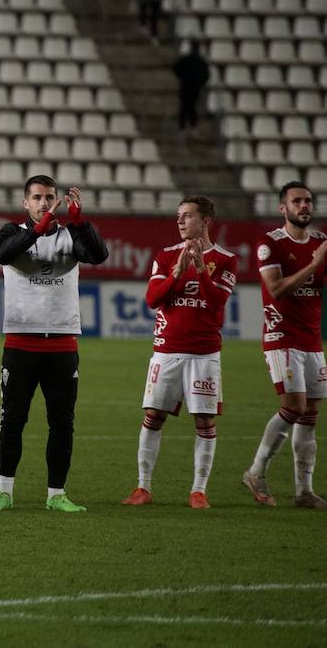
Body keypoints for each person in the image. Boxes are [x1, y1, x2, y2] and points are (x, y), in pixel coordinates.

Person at [0, 177, 109, 513]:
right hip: (21, 342)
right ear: (25, 202)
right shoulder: (12, 232)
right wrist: (36, 229)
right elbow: (1, 254)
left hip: (62, 345)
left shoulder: (70, 235)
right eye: (37, 197)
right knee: (12, 419)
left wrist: (80, 221)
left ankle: (56, 494)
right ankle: (4, 492)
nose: (44, 202)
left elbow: (98, 255)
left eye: (49, 197)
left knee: (62, 421)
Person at [122, 196, 238, 509]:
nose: (180, 221)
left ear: (205, 221)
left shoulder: (226, 260)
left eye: (187, 216)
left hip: (204, 353)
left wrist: (200, 269)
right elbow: (153, 299)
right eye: (178, 216)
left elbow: (215, 303)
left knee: (204, 421)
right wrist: (177, 272)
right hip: (167, 351)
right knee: (153, 416)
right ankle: (143, 486)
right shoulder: (165, 256)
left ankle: (198, 491)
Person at [243, 181, 327, 509]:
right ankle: (255, 471)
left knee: (310, 414)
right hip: (282, 338)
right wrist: (314, 264)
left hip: (311, 340)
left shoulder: (320, 242)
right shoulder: (271, 243)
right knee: (294, 406)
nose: (304, 206)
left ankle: (303, 491)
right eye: (297, 201)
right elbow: (277, 289)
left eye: (308, 200)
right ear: (284, 208)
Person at [172, 41, 209, 135]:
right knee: (192, 107)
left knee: (184, 107)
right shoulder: (201, 61)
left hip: (186, 86)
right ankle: (192, 128)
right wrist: (200, 82)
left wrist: (182, 77)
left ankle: (182, 128)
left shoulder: (186, 59)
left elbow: (175, 68)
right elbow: (206, 75)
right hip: (194, 87)